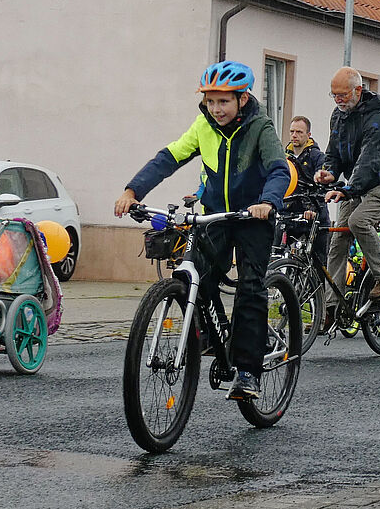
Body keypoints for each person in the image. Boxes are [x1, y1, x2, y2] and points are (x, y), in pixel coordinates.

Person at [115, 60, 295, 401]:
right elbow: (168, 158)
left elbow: (278, 169)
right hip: (216, 214)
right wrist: (132, 191)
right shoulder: (203, 125)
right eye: (211, 101)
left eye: (223, 101)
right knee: (193, 275)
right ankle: (210, 336)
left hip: (253, 217)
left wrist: (268, 201)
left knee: (250, 287)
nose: (216, 109)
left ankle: (246, 371)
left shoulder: (261, 127)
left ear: (242, 99)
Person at [315, 67, 380, 320]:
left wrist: (348, 189)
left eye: (342, 95)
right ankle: (332, 308)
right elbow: (333, 153)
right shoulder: (338, 116)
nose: (338, 100)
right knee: (338, 241)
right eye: (334, 95)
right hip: (355, 184)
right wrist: (329, 172)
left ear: (358, 90)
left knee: (359, 221)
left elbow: (371, 159)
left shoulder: (377, 119)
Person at [286, 115, 330, 269]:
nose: (294, 135)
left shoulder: (317, 157)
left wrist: (312, 208)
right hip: (290, 215)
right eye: (292, 131)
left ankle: (318, 291)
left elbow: (322, 185)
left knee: (318, 263)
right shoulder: (285, 156)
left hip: (315, 217)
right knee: (281, 255)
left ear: (308, 135)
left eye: (299, 132)